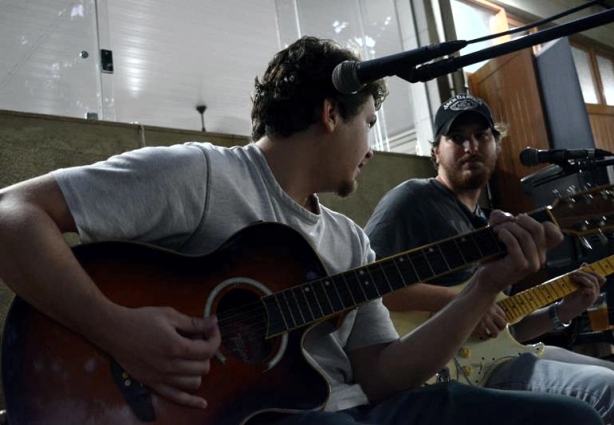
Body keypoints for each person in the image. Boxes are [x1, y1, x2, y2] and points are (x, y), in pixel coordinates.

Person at [0, 38, 603, 425]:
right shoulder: (204, 175)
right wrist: (118, 329)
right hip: (268, 415)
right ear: (330, 112)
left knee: (570, 420)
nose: (371, 146)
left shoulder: (349, 240)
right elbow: (11, 214)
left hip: (359, 407)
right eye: (369, 122)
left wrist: (481, 289)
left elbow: (380, 374)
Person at [365, 92, 614, 424]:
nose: (471, 146)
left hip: (499, 360)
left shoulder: (491, 225)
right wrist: (466, 304)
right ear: (436, 150)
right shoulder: (413, 199)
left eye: (481, 136)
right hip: (440, 376)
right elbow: (366, 289)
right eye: (457, 137)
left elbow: (504, 329)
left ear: (497, 145)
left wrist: (564, 310)